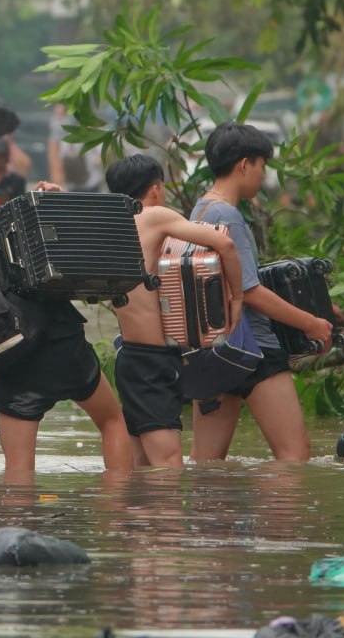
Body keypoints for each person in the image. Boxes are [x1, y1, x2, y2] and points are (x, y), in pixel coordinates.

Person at [0, 159, 133, 474]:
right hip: (63, 342)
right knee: (112, 422)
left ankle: (19, 521)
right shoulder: (1, 218)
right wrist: (51, 197)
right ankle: (117, 513)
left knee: (18, 467)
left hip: (11, 360)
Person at [189, 122, 333, 462]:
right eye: (262, 166)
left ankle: (209, 518)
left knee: (206, 462)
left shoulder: (200, 211)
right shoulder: (229, 215)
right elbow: (250, 291)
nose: (262, 175)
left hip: (214, 350)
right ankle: (274, 517)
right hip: (253, 349)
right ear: (244, 165)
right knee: (293, 455)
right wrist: (310, 323)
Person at [104, 154, 244, 468]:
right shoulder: (154, 215)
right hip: (154, 362)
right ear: (155, 189)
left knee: (138, 468)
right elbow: (226, 246)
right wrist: (237, 301)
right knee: (168, 468)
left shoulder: (109, 226)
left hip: (128, 358)